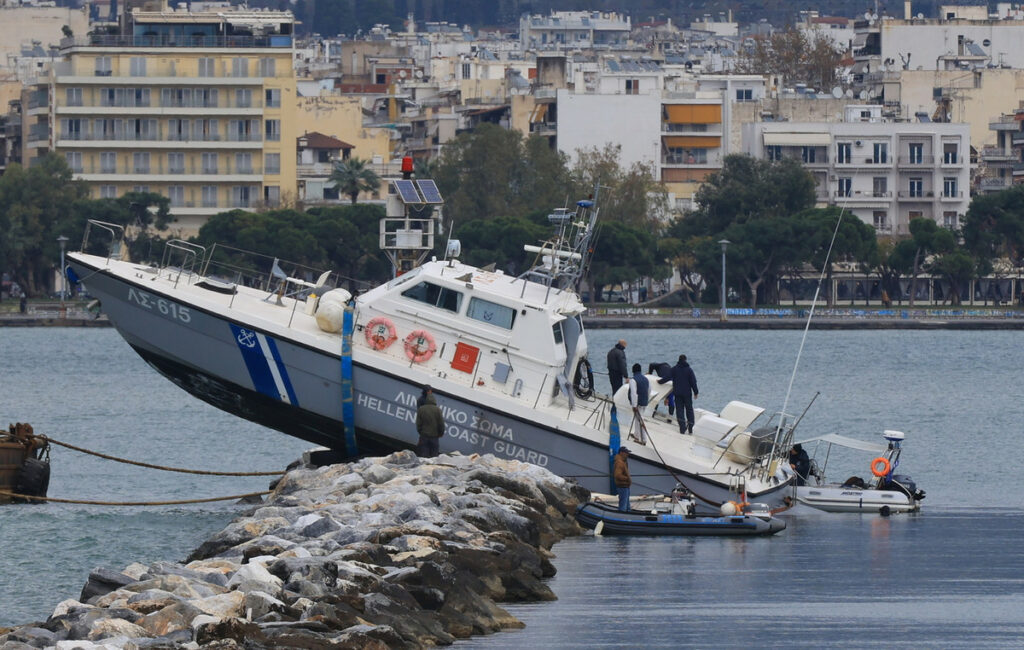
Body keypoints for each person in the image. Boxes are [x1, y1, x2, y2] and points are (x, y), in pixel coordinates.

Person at [658, 354, 698, 434]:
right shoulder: (689, 370)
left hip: (678, 393)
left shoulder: (674, 369)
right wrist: (696, 392)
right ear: (685, 360)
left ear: (678, 360)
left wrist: (660, 381)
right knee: (689, 410)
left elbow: (667, 377)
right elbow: (693, 382)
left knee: (679, 410)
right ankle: (690, 428)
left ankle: (682, 428)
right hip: (687, 394)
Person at [415, 385, 444, 457]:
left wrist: (421, 432)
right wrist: (440, 434)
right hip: (434, 437)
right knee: (434, 457)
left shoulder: (421, 406)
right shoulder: (438, 410)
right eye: (429, 391)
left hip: (424, 435)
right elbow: (441, 424)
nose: (431, 392)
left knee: (423, 456)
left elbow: (419, 422)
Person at [627, 363, 649, 444]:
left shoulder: (633, 380)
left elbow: (634, 393)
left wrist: (634, 405)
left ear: (633, 371)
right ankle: (636, 435)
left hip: (638, 404)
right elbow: (649, 390)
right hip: (644, 402)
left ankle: (644, 439)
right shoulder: (646, 379)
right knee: (637, 419)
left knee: (640, 420)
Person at [613, 446, 632, 512]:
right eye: (626, 453)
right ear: (621, 453)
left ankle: (627, 517)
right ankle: (622, 518)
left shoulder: (623, 462)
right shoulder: (619, 462)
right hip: (622, 486)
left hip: (625, 486)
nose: (627, 454)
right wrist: (627, 478)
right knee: (623, 506)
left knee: (627, 506)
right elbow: (617, 475)